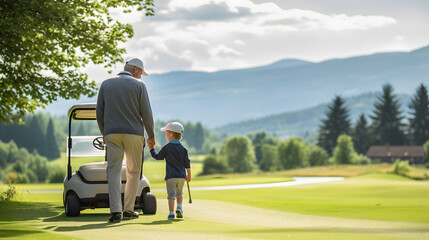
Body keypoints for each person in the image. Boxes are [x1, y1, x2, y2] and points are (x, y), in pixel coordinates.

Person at [96, 58, 155, 223]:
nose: (141, 77)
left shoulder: (106, 84)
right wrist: (151, 136)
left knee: (113, 172)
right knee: (133, 171)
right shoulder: (139, 86)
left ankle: (116, 212)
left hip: (112, 133)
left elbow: (99, 112)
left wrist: (105, 132)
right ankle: (128, 209)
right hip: (134, 134)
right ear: (135, 69)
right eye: (141, 73)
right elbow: (147, 114)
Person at [148, 122, 191, 220]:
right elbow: (187, 164)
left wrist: (151, 149)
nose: (166, 136)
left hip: (171, 176)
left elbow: (158, 157)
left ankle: (171, 213)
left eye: (166, 133)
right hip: (181, 176)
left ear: (171, 134)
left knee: (171, 195)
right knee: (179, 193)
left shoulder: (167, 147)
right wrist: (189, 175)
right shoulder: (184, 149)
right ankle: (179, 208)